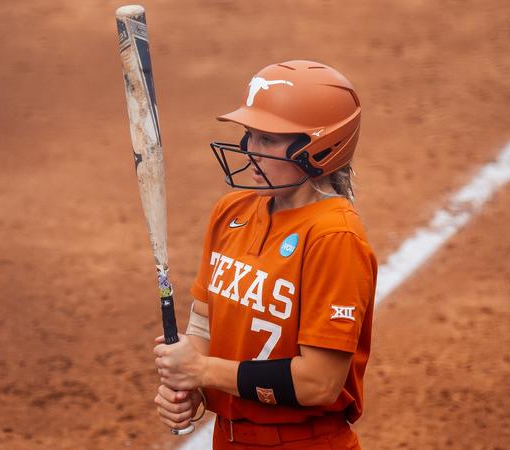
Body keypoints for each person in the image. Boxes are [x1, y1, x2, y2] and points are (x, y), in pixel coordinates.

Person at [153, 60, 377, 449]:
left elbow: (320, 382)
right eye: (249, 135)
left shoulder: (333, 237)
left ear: (318, 148)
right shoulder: (231, 211)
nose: (249, 150)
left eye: (267, 139)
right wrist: (193, 389)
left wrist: (204, 370)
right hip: (228, 438)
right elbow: (204, 324)